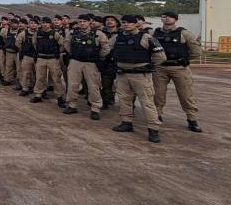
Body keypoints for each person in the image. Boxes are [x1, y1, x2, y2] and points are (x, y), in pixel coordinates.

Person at [111, 15, 165, 143]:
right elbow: (108, 50)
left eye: (129, 22)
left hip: (140, 75)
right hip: (122, 74)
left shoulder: (147, 37)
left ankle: (153, 129)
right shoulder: (117, 37)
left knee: (147, 102)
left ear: (136, 24)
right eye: (123, 22)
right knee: (124, 100)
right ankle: (126, 122)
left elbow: (161, 57)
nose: (126, 25)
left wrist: (149, 67)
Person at [153, 11, 203, 132]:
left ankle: (192, 120)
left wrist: (183, 59)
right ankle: (156, 116)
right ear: (161, 19)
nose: (167, 19)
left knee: (186, 95)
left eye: (170, 17)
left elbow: (197, 51)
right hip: (161, 68)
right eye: (164, 17)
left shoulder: (184, 33)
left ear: (175, 19)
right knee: (158, 94)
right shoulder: (155, 33)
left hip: (180, 68)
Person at [62, 15, 110, 120]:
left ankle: (95, 108)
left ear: (90, 22)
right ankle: (72, 105)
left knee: (94, 86)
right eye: (80, 21)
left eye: (84, 21)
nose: (82, 23)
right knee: (72, 85)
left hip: (91, 63)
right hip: (75, 62)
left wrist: (96, 56)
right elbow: (66, 44)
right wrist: (73, 54)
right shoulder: (72, 33)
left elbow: (105, 49)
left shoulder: (98, 34)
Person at [29, 17, 67, 107]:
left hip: (52, 59)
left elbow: (62, 44)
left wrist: (57, 53)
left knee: (56, 78)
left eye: (47, 23)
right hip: (41, 58)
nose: (45, 24)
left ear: (50, 24)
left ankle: (60, 97)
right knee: (40, 77)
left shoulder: (55, 33)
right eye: (43, 23)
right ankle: (38, 95)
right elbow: (34, 43)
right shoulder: (38, 33)